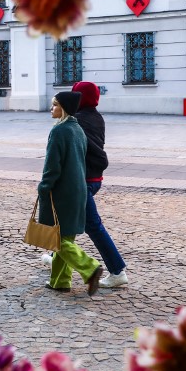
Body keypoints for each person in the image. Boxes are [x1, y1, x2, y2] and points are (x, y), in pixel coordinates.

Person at [38, 91, 102, 295]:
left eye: (55, 105)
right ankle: (60, 281)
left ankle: (90, 268)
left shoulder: (59, 131)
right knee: (65, 236)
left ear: (63, 108)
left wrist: (44, 186)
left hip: (61, 191)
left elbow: (52, 166)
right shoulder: (78, 129)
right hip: (78, 189)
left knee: (56, 239)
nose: (52, 108)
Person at [72, 81, 128, 287]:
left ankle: (117, 271)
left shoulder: (76, 121)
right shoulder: (97, 118)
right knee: (69, 219)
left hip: (82, 180)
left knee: (93, 226)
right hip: (95, 179)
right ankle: (59, 255)